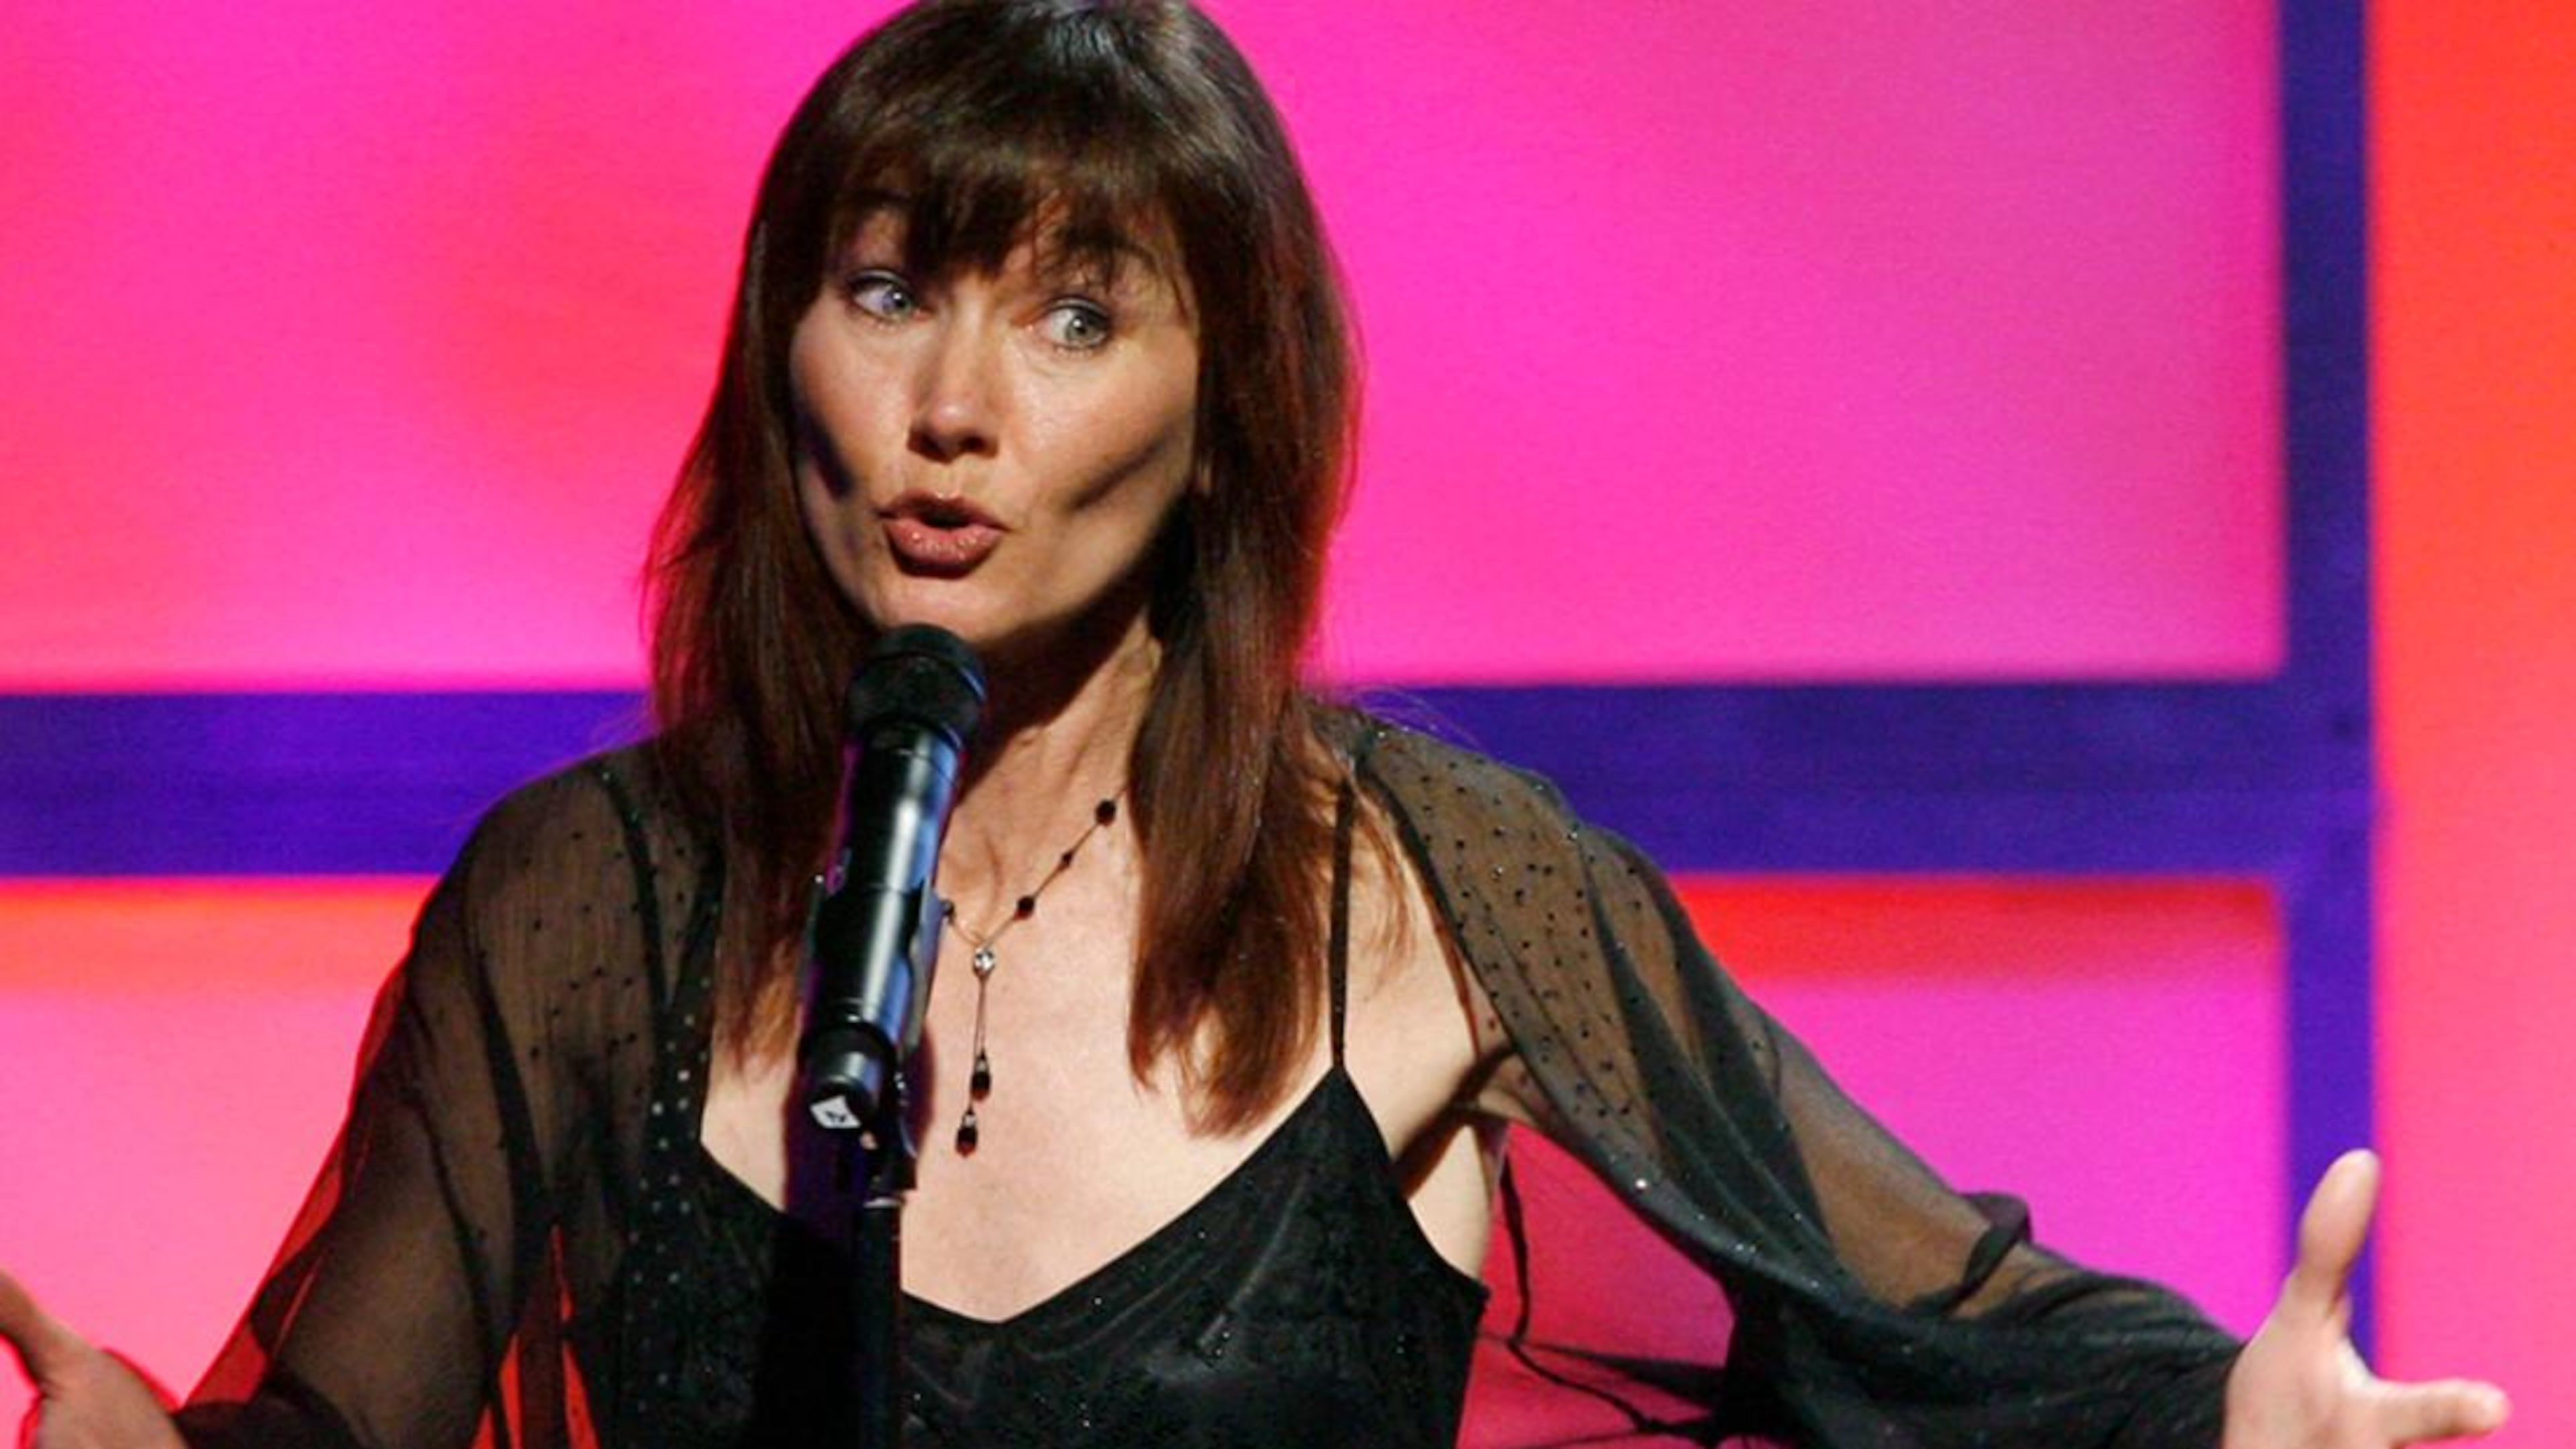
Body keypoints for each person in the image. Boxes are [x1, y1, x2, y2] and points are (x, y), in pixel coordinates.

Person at [0, 1, 2513, 1445]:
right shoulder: (585, 906)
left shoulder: (1429, 892)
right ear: (780, 345)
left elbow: (1944, 1326)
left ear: (1232, 414)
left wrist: (2223, 1421)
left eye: (1079, 317)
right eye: (888, 291)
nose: (953, 409)